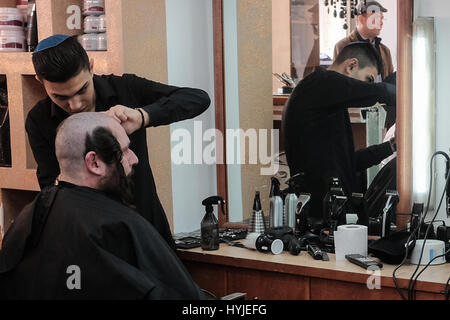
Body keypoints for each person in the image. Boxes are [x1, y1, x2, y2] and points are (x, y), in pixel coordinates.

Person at [25, 35, 211, 250]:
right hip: (90, 240)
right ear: (40, 81)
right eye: (60, 97)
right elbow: (49, 186)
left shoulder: (125, 89)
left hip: (146, 228)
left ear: (91, 66)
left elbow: (198, 98)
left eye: (82, 89)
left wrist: (142, 116)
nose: (74, 105)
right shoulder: (39, 120)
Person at [0, 113, 204, 299]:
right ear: (94, 162)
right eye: (124, 151)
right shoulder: (118, 225)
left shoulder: (24, 221)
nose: (134, 159)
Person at [283, 42, 396, 226]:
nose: (367, 86)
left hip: (330, 213)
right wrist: (403, 94)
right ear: (351, 65)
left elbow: (349, 163)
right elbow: (377, 92)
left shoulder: (329, 103)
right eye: (368, 79)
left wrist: (390, 147)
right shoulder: (320, 83)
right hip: (319, 217)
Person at [334, 1, 394, 81]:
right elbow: (337, 82)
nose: (381, 23)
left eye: (382, 19)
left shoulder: (385, 51)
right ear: (361, 19)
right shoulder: (343, 46)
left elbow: (389, 82)